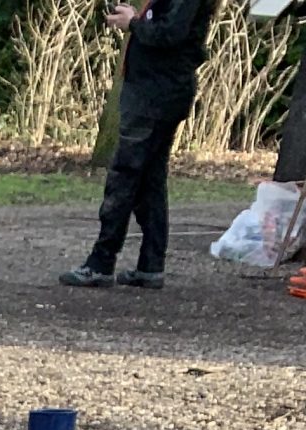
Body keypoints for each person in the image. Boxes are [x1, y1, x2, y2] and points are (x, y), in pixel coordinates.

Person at [60, 0, 218, 290]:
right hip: (161, 90)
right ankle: (150, 264)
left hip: (155, 93)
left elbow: (170, 33)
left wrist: (133, 23)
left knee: (125, 176)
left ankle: (101, 261)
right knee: (150, 180)